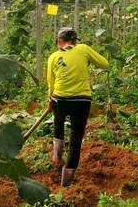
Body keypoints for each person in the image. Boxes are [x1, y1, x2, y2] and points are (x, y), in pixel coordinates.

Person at [46, 27, 109, 186]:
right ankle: (66, 179)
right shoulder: (83, 49)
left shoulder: (53, 56)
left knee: (58, 123)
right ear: (75, 41)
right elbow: (105, 64)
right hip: (81, 100)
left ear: (59, 41)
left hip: (59, 97)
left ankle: (56, 156)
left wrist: (50, 100)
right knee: (76, 136)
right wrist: (87, 60)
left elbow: (50, 82)